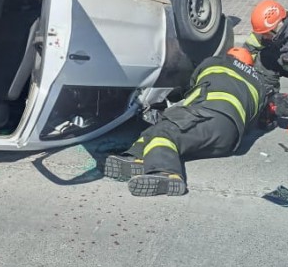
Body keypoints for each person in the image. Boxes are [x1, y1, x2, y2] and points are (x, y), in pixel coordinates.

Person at [104, 47, 272, 196]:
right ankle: (139, 157)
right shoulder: (258, 85)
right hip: (231, 137)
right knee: (160, 130)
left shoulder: (216, 61)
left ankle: (165, 172)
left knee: (165, 132)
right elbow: (255, 121)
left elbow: (189, 86)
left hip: (208, 114)